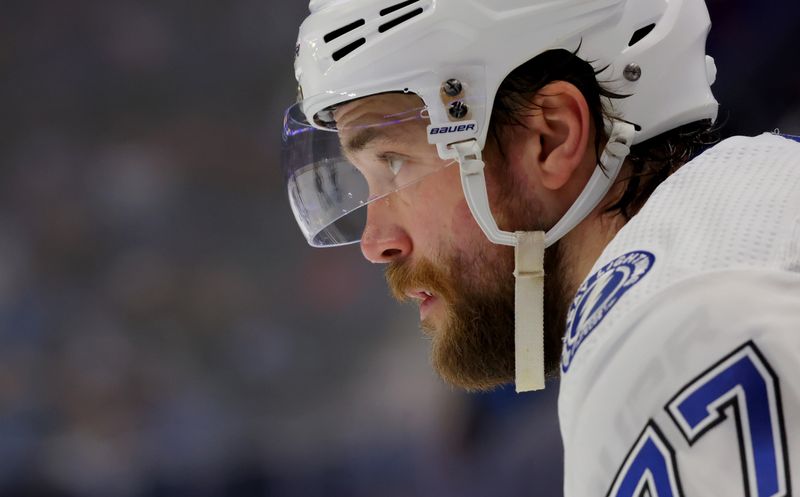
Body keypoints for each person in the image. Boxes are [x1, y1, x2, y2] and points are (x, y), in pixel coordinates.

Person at [281, 0, 800, 495]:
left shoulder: (675, 340)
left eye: (393, 162)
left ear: (550, 137)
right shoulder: (754, 206)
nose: (375, 244)